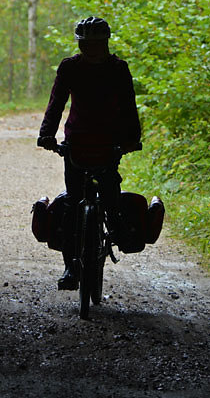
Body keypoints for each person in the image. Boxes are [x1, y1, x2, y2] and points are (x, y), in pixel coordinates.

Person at [37, 15, 141, 290]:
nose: (91, 50)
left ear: (105, 44)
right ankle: (72, 265)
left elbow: (129, 107)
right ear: (80, 45)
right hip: (77, 142)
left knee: (110, 194)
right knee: (73, 203)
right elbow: (56, 102)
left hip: (109, 142)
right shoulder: (70, 68)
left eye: (96, 44)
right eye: (86, 45)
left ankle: (119, 230)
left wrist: (132, 139)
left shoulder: (118, 69)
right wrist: (46, 134)